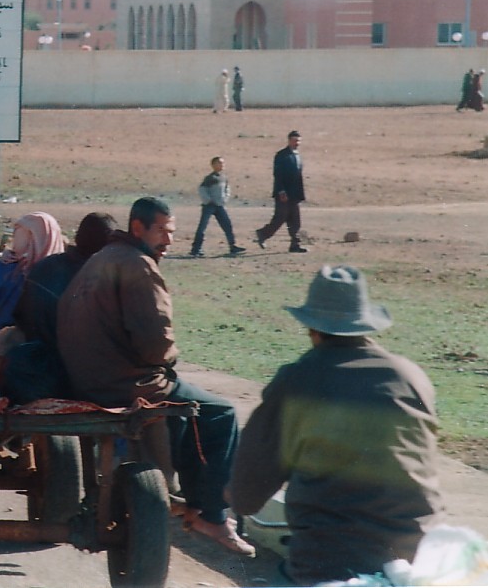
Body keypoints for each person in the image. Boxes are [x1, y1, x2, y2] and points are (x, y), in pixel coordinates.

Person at [57, 197, 254, 556]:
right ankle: (211, 514)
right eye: (162, 231)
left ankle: (182, 497)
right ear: (138, 228)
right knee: (220, 413)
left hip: (87, 379)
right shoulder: (138, 265)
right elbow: (155, 344)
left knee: (185, 403)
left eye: (172, 232)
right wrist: (169, 358)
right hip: (125, 383)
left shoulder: (102, 258)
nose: (168, 240)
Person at [227, 265, 443, 585]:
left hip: (331, 562)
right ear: (365, 323)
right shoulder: (411, 377)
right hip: (420, 556)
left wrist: (229, 499)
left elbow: (247, 494)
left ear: (312, 329)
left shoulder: (298, 379)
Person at [2, 212, 117, 403]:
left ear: (78, 237)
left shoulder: (44, 266)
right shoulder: (98, 277)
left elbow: (20, 317)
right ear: (108, 246)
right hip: (74, 379)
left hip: (33, 371)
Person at [0, 211, 65, 349]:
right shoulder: (7, 265)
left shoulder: (48, 272)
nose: (16, 238)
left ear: (35, 238)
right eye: (16, 232)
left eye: (20, 233)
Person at [255, 130, 307, 253]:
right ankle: (263, 234)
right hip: (283, 193)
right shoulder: (281, 155)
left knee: (295, 219)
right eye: (294, 140)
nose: (297, 143)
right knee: (280, 217)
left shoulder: (297, 155)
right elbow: (277, 175)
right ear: (289, 140)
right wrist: (281, 191)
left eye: (298, 141)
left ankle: (295, 244)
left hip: (295, 193)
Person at [190, 157, 246, 258]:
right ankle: (196, 249)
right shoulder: (210, 178)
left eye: (223, 163)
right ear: (213, 165)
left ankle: (232, 246)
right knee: (202, 227)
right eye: (219, 163)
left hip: (220, 206)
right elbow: (202, 189)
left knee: (227, 225)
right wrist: (208, 200)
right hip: (209, 206)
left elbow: (227, 189)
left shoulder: (224, 178)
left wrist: (224, 199)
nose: (222, 165)